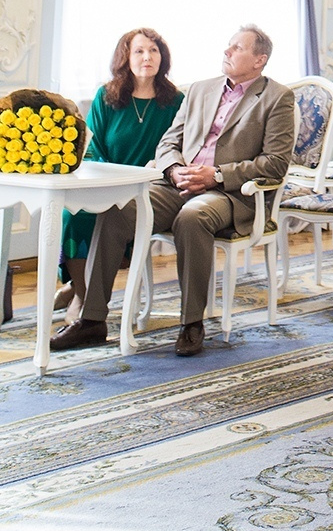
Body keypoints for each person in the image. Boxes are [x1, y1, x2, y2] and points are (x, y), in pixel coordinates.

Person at [52, 25, 295, 359]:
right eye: (228, 45)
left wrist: (217, 175)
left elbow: (275, 164)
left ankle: (191, 322)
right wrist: (174, 169)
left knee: (192, 218)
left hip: (228, 193)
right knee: (116, 208)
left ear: (259, 59)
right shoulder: (200, 89)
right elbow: (169, 141)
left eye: (236, 47)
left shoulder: (277, 98)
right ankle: (93, 319)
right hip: (176, 184)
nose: (226, 51)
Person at [56, 29, 182, 314]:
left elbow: (180, 146)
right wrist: (109, 179)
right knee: (73, 216)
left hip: (149, 188)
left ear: (163, 57)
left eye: (154, 50)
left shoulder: (176, 101)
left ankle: (80, 291)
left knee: (115, 220)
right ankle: (81, 292)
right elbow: (92, 148)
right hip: (104, 183)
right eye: (139, 51)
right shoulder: (107, 96)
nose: (147, 57)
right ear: (125, 57)